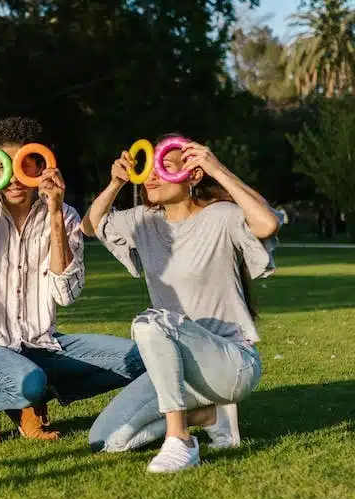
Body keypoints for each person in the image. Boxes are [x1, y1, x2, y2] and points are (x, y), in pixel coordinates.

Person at [0, 116, 147, 446]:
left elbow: (67, 293)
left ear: (42, 166)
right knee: (27, 380)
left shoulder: (66, 214)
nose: (14, 177)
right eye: (4, 166)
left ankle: (32, 396)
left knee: (143, 359)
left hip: (41, 343)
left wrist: (56, 212)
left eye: (25, 165)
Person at [82, 136, 280, 472]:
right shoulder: (142, 220)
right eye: (148, 170)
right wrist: (116, 182)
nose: (152, 177)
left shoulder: (222, 216)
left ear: (193, 175)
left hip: (230, 364)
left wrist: (217, 168)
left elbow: (267, 223)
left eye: (165, 167)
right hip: (178, 370)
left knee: (150, 323)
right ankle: (208, 415)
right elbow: (90, 226)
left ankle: (181, 440)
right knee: (107, 440)